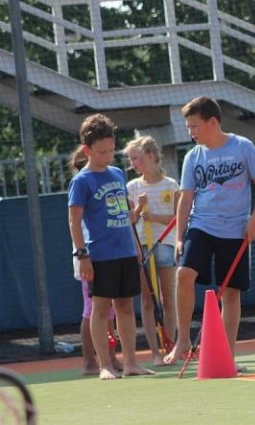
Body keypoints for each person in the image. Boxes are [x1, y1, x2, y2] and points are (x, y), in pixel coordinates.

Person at [163, 97, 255, 366]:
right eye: (188, 127)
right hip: (201, 225)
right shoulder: (193, 156)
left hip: (236, 230)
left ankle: (228, 357)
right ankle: (183, 340)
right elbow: (186, 199)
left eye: (195, 126)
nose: (191, 132)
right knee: (184, 274)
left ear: (213, 122)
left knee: (231, 292)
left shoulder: (242, 146)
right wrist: (179, 238)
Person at [68, 114, 154, 380]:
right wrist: (82, 255)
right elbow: (74, 220)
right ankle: (104, 365)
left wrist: (135, 245)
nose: (108, 156)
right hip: (100, 255)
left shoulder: (117, 174)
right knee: (101, 309)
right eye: (101, 151)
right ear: (87, 150)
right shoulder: (81, 181)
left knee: (125, 306)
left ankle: (131, 363)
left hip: (125, 251)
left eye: (111, 150)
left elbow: (124, 215)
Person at [124, 136, 179, 366]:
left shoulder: (171, 185)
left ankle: (171, 347)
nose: (132, 163)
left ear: (150, 156)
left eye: (135, 158)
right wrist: (138, 207)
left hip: (164, 244)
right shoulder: (132, 187)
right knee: (147, 300)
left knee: (168, 298)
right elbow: (131, 219)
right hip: (143, 246)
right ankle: (155, 352)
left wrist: (154, 216)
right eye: (130, 159)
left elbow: (178, 217)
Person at [68, 146, 122, 375]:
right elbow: (75, 224)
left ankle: (110, 357)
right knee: (91, 311)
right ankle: (89, 362)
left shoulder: (111, 179)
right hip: (89, 258)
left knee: (109, 311)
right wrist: (83, 256)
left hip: (108, 255)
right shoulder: (81, 187)